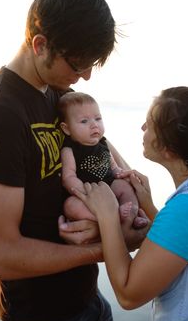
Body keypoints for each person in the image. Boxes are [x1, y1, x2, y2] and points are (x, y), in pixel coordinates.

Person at [0, 0, 148, 321]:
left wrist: (131, 187)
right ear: (40, 44)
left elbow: (99, 146)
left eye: (92, 65)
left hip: (88, 299)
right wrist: (109, 247)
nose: (86, 76)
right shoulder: (0, 113)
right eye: (78, 64)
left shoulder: (59, 93)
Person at [73, 86, 188, 321]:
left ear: (169, 149)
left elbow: (129, 294)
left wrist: (107, 214)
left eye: (150, 123)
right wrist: (149, 205)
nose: (142, 127)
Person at [59, 91, 146, 229]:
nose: (94, 125)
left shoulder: (103, 143)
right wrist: (87, 193)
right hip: (87, 193)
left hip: (108, 186)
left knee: (124, 187)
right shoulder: (69, 150)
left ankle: (132, 216)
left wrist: (121, 174)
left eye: (98, 119)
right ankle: (106, 219)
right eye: (84, 121)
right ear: (67, 129)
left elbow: (113, 166)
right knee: (70, 205)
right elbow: (68, 177)